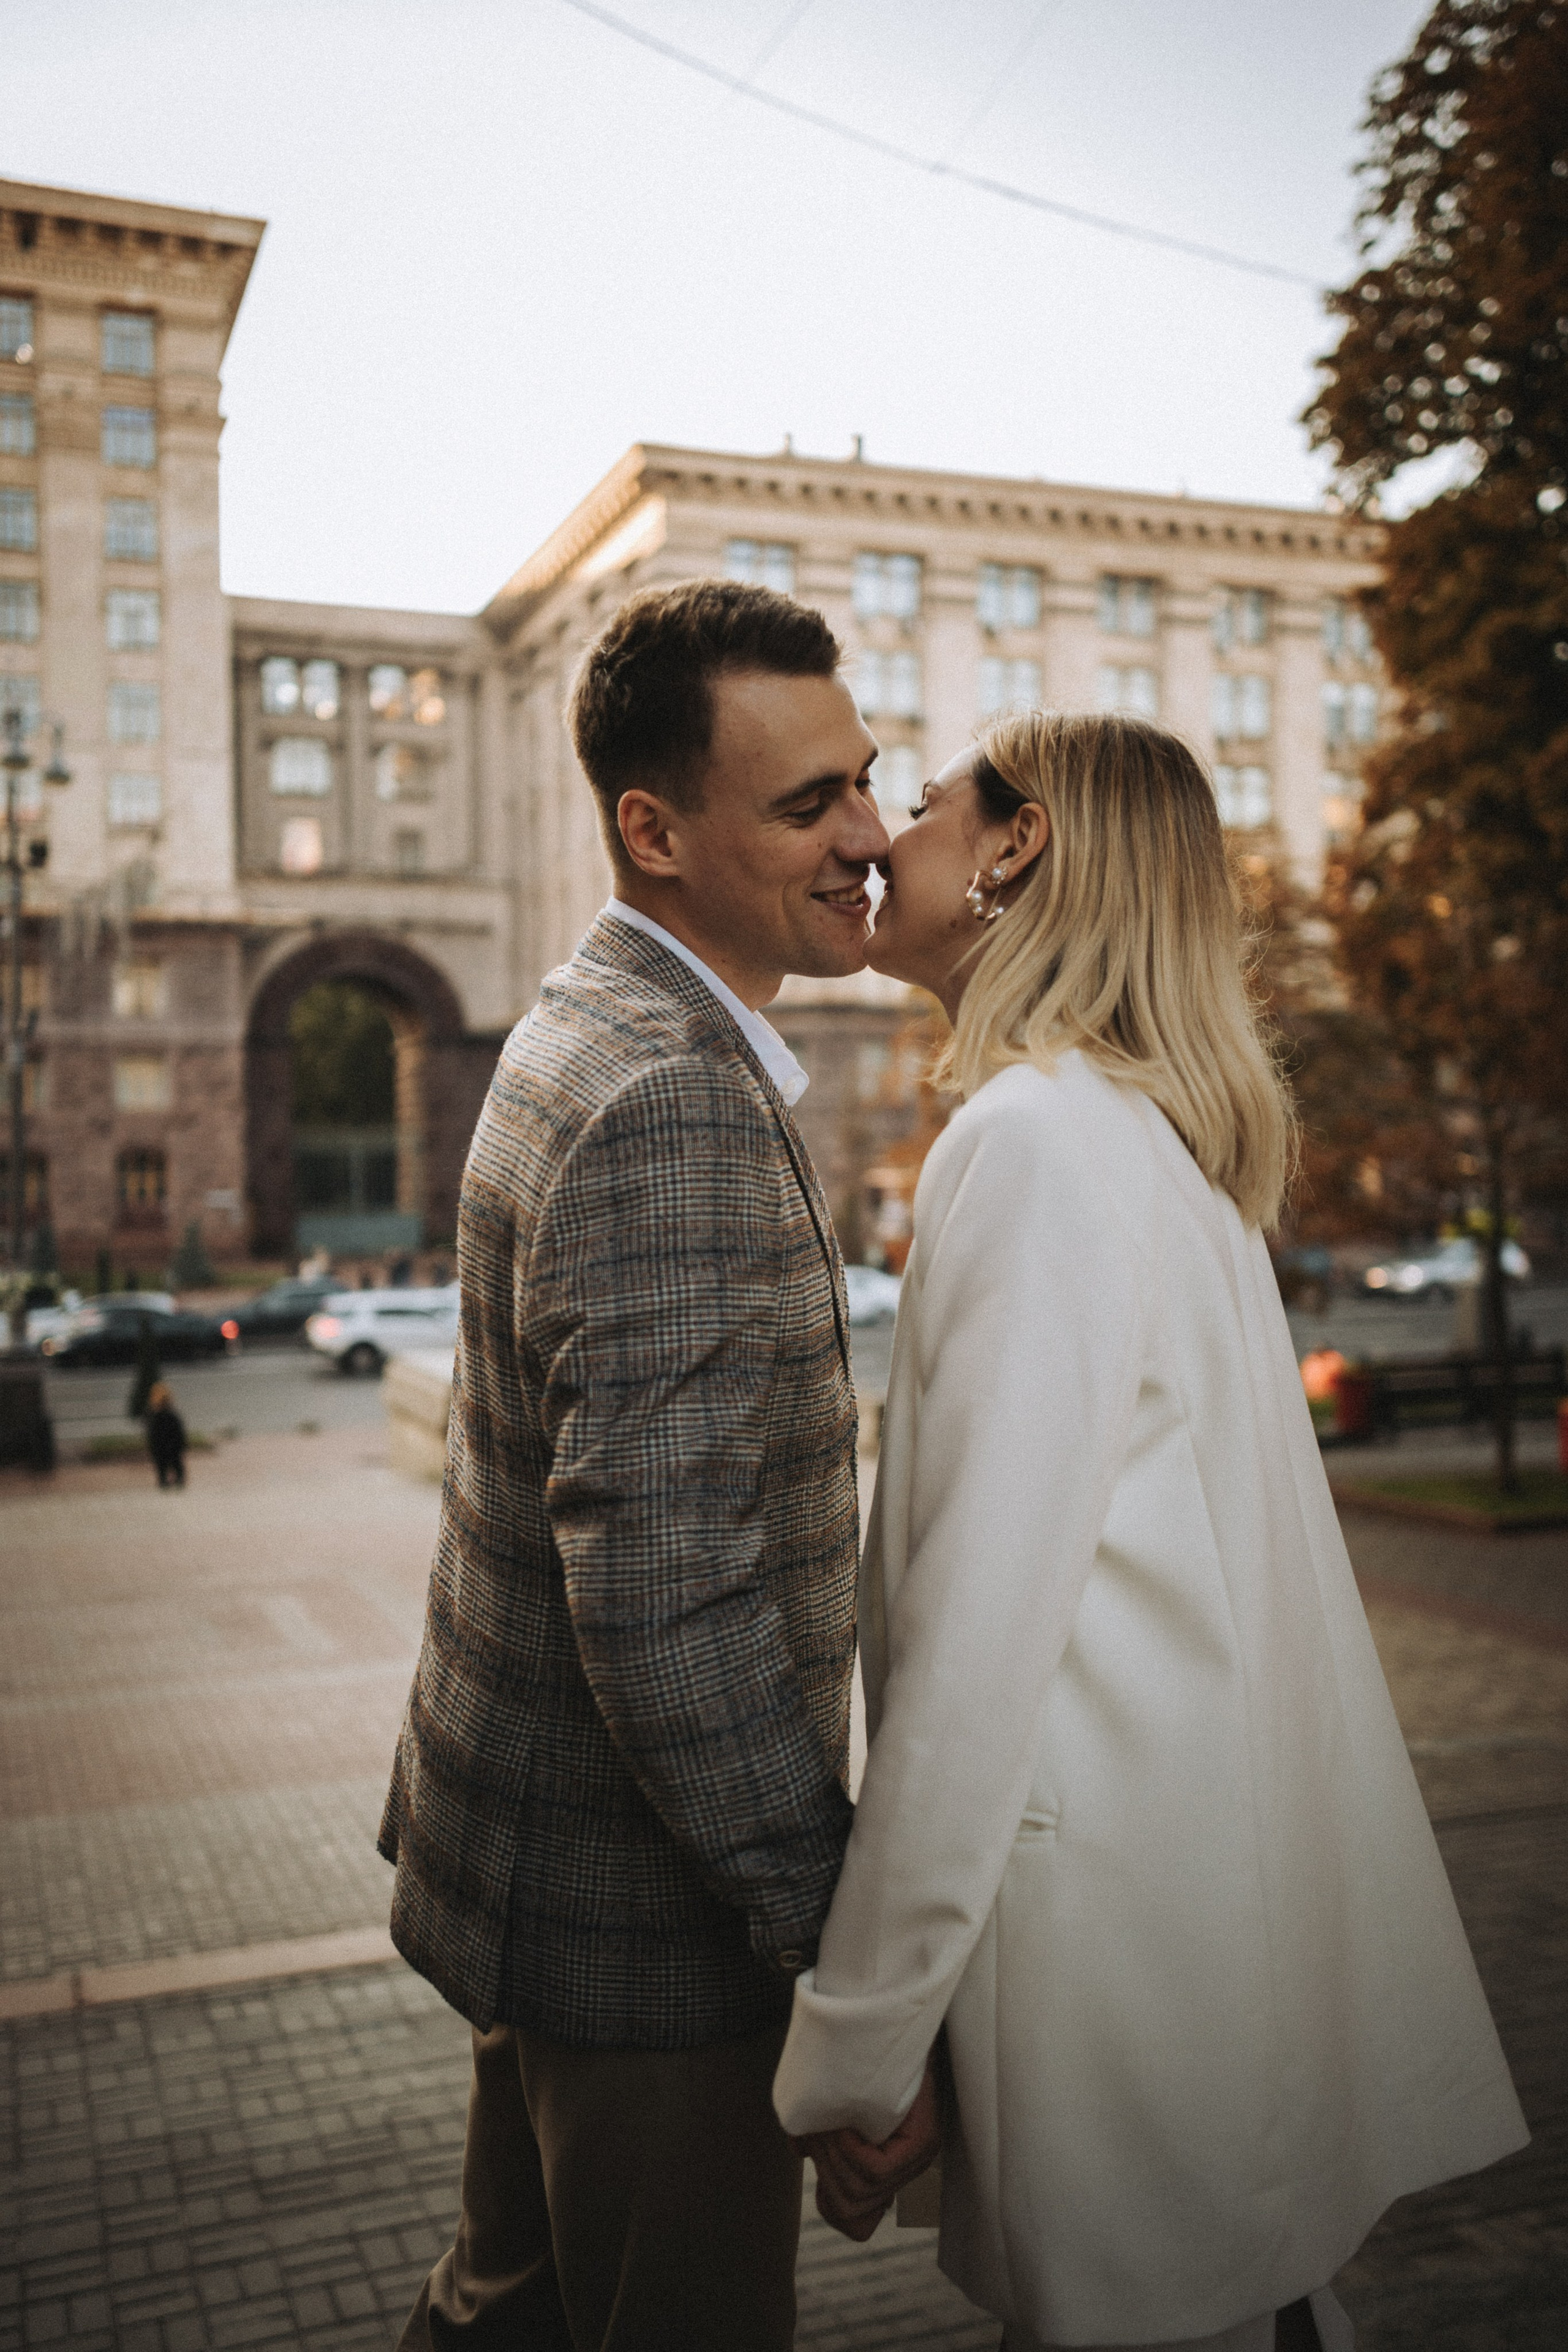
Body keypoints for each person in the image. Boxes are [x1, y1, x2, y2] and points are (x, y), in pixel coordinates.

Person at [774, 711, 1528, 2352]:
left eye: (917, 806)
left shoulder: (1035, 1144)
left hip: (1122, 1964)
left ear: (1015, 847)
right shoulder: (1138, 1141)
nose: (877, 841)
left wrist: (866, 2034)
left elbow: (979, 1649)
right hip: (1187, 1925)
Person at [383, 579, 890, 2351]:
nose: (873, 842)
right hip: (645, 1934)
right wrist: (838, 1956)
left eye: (869, 779)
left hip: (531, 1865)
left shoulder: (583, 1017)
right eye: (810, 804)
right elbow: (666, 1608)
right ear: (651, 829)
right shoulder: (666, 1092)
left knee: (504, 2311)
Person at [144, 1381, 186, 1488]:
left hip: (169, 1445)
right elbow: (152, 1434)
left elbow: (179, 1432)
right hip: (164, 1446)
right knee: (165, 1465)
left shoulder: (166, 1416)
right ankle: (168, 1480)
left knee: (172, 1464)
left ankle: (174, 1480)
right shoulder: (158, 1416)